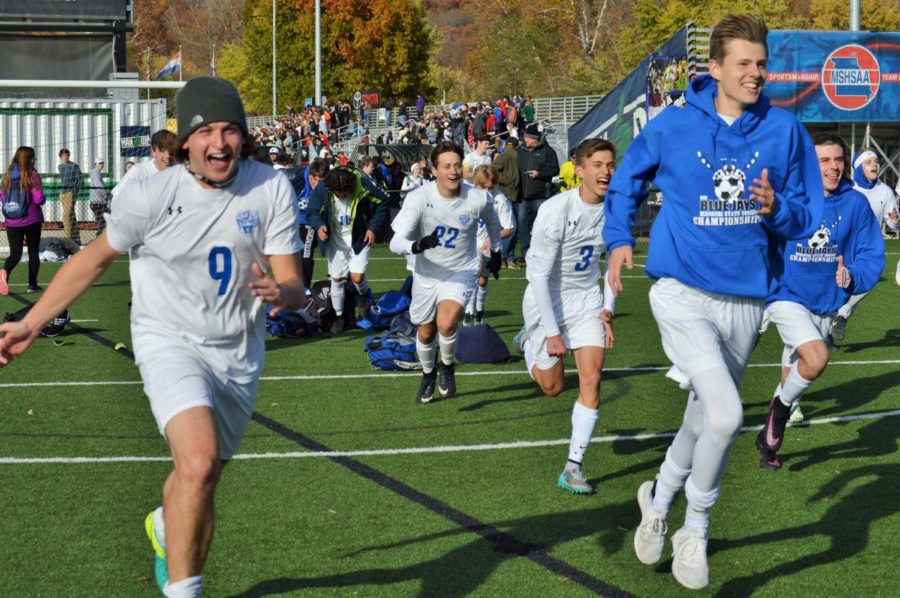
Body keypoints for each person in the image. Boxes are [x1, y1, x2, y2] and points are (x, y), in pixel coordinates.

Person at [0, 77, 305, 597]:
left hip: (239, 352)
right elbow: (91, 260)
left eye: (230, 130)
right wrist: (31, 321)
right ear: (185, 140)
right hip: (168, 340)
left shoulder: (270, 186)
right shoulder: (151, 194)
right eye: (206, 130)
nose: (220, 142)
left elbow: (294, 284)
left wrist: (282, 292)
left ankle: (167, 525)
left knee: (201, 482)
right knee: (199, 460)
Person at [603, 15, 822, 590]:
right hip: (681, 291)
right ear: (716, 68)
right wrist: (621, 239)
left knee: (703, 418)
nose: (756, 73)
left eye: (761, 63)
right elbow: (626, 180)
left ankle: (658, 499)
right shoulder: (674, 125)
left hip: (747, 298)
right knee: (726, 414)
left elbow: (806, 217)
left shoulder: (784, 130)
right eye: (744, 63)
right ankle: (693, 528)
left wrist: (777, 208)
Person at [756, 133, 884, 469]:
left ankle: (769, 443)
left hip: (826, 301)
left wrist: (853, 275)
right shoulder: (790, 196)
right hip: (785, 295)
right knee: (817, 358)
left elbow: (870, 251)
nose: (833, 167)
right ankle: (779, 414)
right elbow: (758, 234)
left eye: (838, 160)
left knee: (793, 376)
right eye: (824, 160)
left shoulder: (855, 203)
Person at [511, 139, 617, 496]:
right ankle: (529, 340)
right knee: (553, 388)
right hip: (547, 301)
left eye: (610, 165)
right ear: (579, 169)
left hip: (586, 300)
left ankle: (573, 467)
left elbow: (613, 263)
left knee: (592, 376)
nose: (605, 171)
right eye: (598, 164)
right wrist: (552, 332)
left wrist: (608, 309)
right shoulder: (556, 209)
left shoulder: (616, 210)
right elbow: (538, 276)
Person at [390, 142, 502, 404]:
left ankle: (448, 367)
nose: (452, 172)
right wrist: (415, 245)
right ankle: (428, 375)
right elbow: (396, 242)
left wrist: (496, 252)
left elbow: (493, 222)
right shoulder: (419, 198)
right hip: (426, 275)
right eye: (446, 166)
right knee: (426, 333)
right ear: (434, 169)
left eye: (456, 165)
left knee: (446, 323)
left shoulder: (476, 197)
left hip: (461, 271)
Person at [307, 165, 391, 333]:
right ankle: (339, 316)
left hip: (359, 238)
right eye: (338, 194)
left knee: (357, 278)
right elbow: (312, 211)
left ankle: (364, 295)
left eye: (344, 193)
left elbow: (384, 201)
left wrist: (372, 227)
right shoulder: (323, 187)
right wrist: (319, 226)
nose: (342, 196)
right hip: (335, 241)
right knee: (336, 279)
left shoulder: (363, 184)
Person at [830, 149, 900, 341]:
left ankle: (842, 315)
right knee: (832, 287)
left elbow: (894, 223)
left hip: (867, 249)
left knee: (868, 279)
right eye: (869, 162)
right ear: (859, 168)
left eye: (876, 161)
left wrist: (895, 220)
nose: (875, 165)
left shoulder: (885, 191)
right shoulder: (847, 190)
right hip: (841, 247)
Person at [464, 164, 515, 325]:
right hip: (471, 243)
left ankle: (480, 308)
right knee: (472, 276)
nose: (486, 191)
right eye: (481, 187)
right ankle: (469, 312)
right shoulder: (468, 194)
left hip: (487, 245)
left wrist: (492, 239)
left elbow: (509, 228)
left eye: (490, 188)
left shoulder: (500, 200)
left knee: (482, 280)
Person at [0, 146, 46, 295]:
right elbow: (38, 199)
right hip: (31, 219)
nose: (35, 159)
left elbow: (2, 197)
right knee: (33, 252)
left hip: (11, 220)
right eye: (33, 157)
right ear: (28, 159)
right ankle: (32, 285)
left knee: (15, 254)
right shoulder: (31, 174)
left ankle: (4, 272)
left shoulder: (7, 175)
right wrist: (43, 197)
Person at [516, 122, 559, 262]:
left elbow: (555, 169)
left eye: (527, 138)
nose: (524, 140)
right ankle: (525, 252)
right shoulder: (520, 150)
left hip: (540, 195)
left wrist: (539, 174)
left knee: (541, 224)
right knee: (522, 223)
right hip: (523, 195)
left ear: (534, 138)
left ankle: (541, 250)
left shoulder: (548, 151)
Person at [112, 129, 179, 200]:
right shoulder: (139, 171)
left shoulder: (181, 169)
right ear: (153, 152)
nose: (168, 155)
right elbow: (117, 196)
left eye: (172, 150)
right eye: (162, 150)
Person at [296, 158, 329, 290]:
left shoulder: (327, 187)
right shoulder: (298, 181)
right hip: (293, 222)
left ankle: (305, 289)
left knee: (305, 251)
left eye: (321, 181)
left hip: (311, 223)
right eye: (314, 179)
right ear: (310, 175)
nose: (316, 184)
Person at [493, 136, 521, 268]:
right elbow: (493, 170)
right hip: (510, 194)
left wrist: (505, 180)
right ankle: (505, 256)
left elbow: (493, 170)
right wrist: (508, 180)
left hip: (506, 193)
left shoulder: (505, 155)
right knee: (511, 227)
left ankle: (505, 256)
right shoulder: (513, 155)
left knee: (508, 227)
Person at [57, 147, 83, 244]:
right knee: (71, 215)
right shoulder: (60, 167)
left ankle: (68, 240)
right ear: (60, 157)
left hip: (70, 192)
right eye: (63, 155)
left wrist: (74, 191)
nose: (65, 157)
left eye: (67, 155)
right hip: (62, 193)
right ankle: (77, 239)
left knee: (66, 216)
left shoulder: (74, 166)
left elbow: (80, 180)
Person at [88, 157, 111, 236]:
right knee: (103, 221)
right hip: (97, 202)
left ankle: (101, 237)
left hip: (99, 202)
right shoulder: (96, 173)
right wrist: (106, 195)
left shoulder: (96, 173)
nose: (101, 165)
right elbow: (99, 187)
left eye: (102, 163)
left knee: (104, 221)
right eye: (99, 163)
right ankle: (99, 238)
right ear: (96, 164)